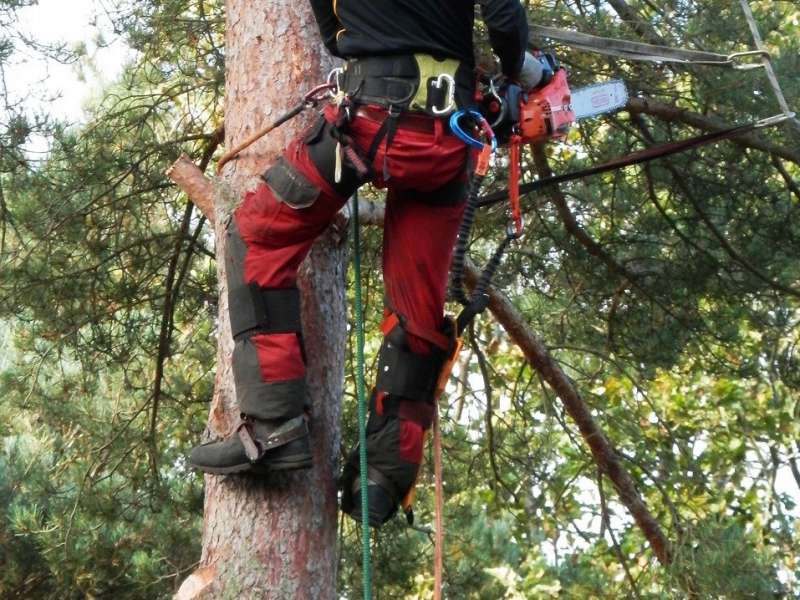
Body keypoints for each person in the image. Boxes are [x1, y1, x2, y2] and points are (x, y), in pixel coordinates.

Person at [189, 0, 534, 527]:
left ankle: (274, 429)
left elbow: (333, 36)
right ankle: (384, 476)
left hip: (372, 125)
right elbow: (505, 20)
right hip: (449, 144)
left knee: (257, 237)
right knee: (417, 309)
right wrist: (514, 75)